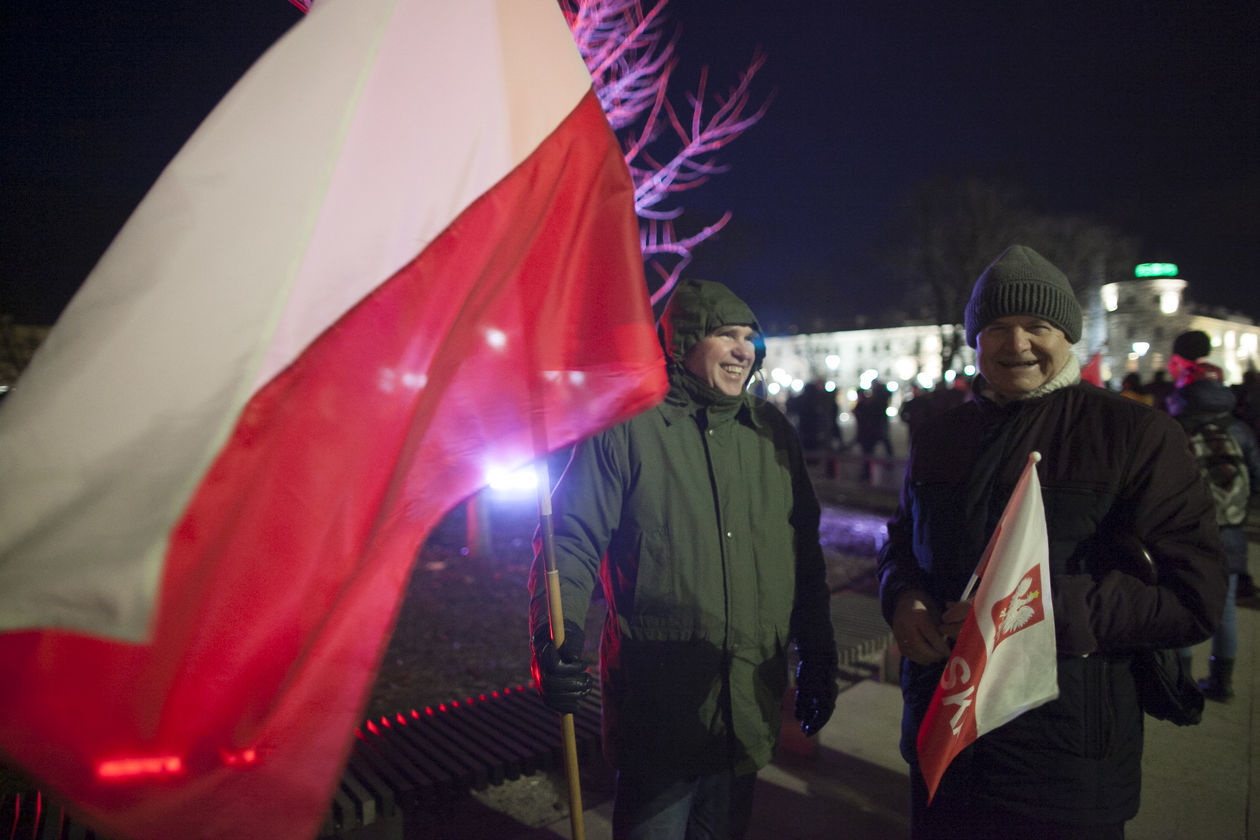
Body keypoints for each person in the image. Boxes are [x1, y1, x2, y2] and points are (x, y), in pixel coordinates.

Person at [877, 245, 1228, 838]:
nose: (1016, 345)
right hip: (945, 744)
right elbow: (901, 543)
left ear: (1067, 334)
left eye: (1036, 326)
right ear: (976, 340)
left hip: (1065, 762)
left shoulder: (1135, 434)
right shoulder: (940, 435)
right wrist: (903, 596)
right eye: (997, 328)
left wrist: (1023, 613)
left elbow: (1193, 595)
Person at [528, 279, 838, 839]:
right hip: (660, 706)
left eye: (750, 337)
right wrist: (558, 633)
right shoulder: (627, 428)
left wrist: (818, 654)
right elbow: (570, 538)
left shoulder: (771, 433)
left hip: (748, 697)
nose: (745, 349)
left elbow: (804, 556)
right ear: (683, 341)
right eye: (726, 335)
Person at [1167, 330, 1260, 699]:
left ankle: (1181, 684)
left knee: (1180, 605)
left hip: (1184, 530)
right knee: (1226, 610)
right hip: (1232, 531)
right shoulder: (1238, 428)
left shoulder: (1173, 425)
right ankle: (1222, 684)